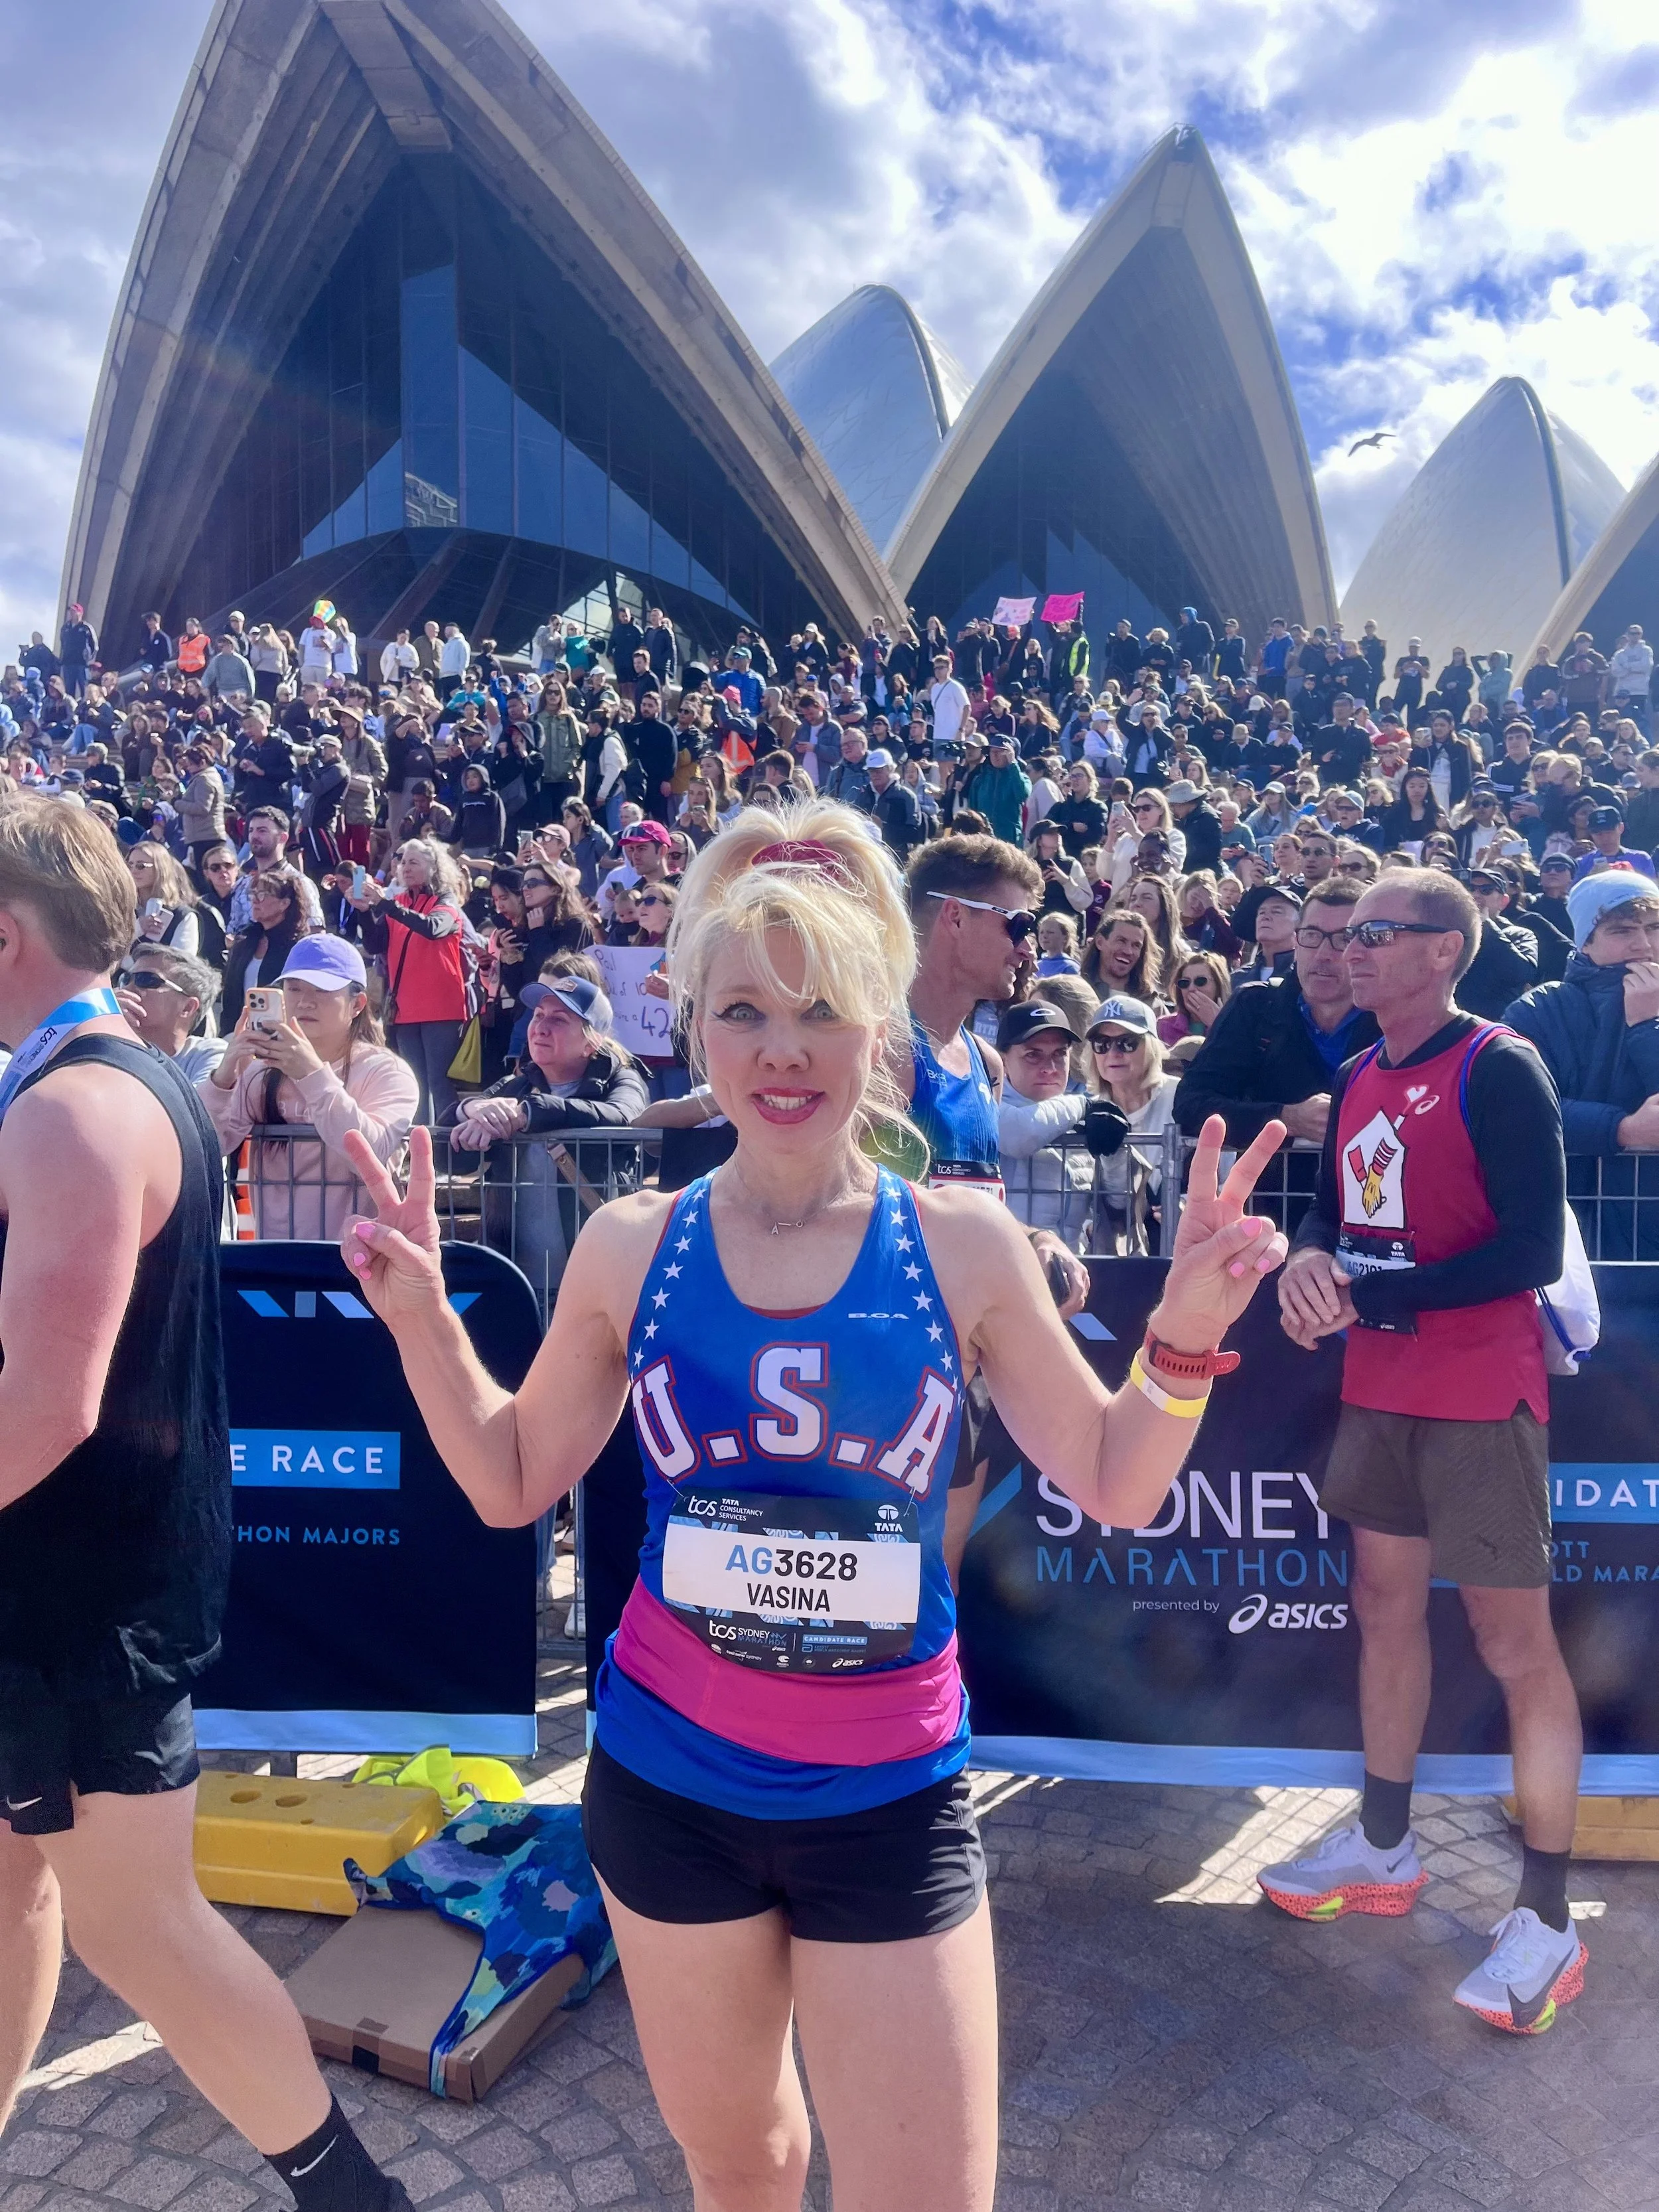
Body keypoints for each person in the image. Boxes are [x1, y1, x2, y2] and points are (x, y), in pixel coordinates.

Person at [334, 794, 1289, 2212]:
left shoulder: (958, 1242)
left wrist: (1186, 1338)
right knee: (745, 2166)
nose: (782, 1050)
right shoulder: (624, 1245)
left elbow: (1110, 1475)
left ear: (877, 1028)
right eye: (741, 1011)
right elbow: (508, 1480)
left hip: (886, 1800)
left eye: (822, 1008)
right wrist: (421, 1318)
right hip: (667, 1789)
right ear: (690, 1030)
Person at [0, 804, 413, 2209]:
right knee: (14, 1880)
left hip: (72, 1595)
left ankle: (350, 2193)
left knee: (143, 1923)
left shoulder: (77, 1103)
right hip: (75, 1578)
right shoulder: (120, 1074)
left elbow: (44, 1404)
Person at [1263, 872, 1582, 2036]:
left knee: (1515, 1646)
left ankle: (1547, 1917)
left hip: (1477, 1394)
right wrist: (1310, 1259)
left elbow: (1533, 1249)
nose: (1346, 948)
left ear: (1443, 951)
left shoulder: (1498, 1064)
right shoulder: (1356, 1074)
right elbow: (1332, 1217)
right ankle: (1386, 1844)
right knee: (1384, 1608)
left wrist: (1372, 1292)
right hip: (1382, 1387)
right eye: (1340, 934)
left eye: (1374, 934)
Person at [202, 936, 417, 1238]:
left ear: (357, 1004)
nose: (305, 1001)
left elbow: (375, 1156)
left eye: (322, 991)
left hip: (362, 1258)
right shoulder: (262, 1071)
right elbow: (209, 1143)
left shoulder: (386, 1072)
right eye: (294, 989)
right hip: (280, 1256)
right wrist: (223, 1078)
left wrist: (312, 1074)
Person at [1506, 869, 1659, 1260]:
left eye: (1655, 928)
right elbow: (1516, 1110)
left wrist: (1646, 1028)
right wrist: (1622, 1129)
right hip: (1563, 1231)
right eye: (1622, 931)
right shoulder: (1538, 1010)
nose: (1643, 945)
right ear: (1585, 942)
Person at [1174, 878, 1378, 1148]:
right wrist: (1286, 1119)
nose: (1323, 954)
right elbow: (1191, 1105)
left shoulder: (1396, 1015)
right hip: (1276, 1187)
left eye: (1344, 939)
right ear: (1296, 940)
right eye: (1312, 936)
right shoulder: (1254, 1005)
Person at [349, 840, 473, 1123]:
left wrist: (385, 905)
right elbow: (375, 943)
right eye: (403, 862)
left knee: (440, 1084)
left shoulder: (445, 901)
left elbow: (433, 928)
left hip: (441, 1008)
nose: (406, 868)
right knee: (415, 1085)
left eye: (414, 862)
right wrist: (364, 911)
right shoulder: (399, 903)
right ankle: (419, 1153)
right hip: (406, 1008)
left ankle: (448, 1155)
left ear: (433, 867)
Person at [115, 945, 226, 1083]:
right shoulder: (107, 1043)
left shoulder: (206, 1055)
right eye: (125, 979)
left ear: (188, 1007)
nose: (127, 988)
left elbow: (198, 1104)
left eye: (146, 979)